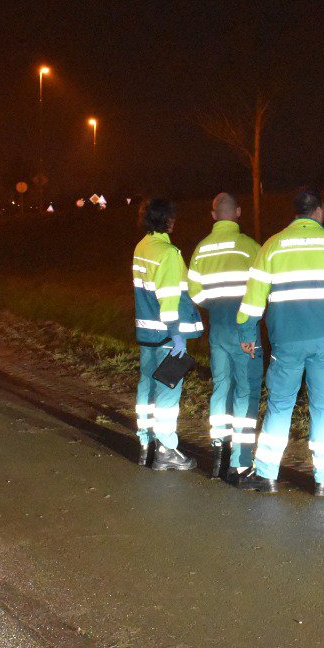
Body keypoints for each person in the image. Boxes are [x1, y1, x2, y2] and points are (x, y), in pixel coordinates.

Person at [236, 187, 324, 496]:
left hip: (285, 341)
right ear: (320, 212)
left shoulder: (272, 247)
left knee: (280, 404)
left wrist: (247, 333)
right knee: (323, 408)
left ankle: (264, 475)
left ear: (295, 213)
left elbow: (253, 297)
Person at [186, 191, 264, 481]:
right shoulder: (251, 248)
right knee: (246, 391)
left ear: (213, 215)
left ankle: (218, 451)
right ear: (239, 212)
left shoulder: (202, 250)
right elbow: (264, 287)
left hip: (217, 326)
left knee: (221, 387)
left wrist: (215, 304)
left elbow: (195, 293)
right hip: (246, 329)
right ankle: (241, 463)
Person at [130, 197, 204, 470]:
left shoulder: (142, 247)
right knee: (167, 393)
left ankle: (145, 443)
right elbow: (169, 299)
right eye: (171, 216)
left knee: (147, 385)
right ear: (166, 220)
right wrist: (177, 335)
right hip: (165, 335)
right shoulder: (168, 253)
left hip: (147, 333)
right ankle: (166, 449)